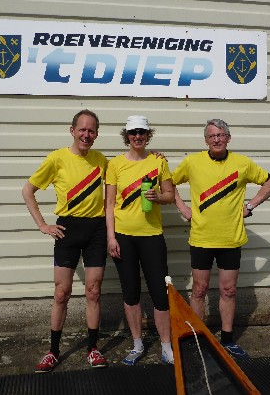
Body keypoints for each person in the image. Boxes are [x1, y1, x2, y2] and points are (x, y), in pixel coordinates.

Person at [172, 118, 270, 360]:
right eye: (212, 136)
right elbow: (168, 181)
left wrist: (249, 206)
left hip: (231, 239)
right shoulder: (192, 162)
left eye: (221, 135)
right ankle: (197, 339)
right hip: (201, 238)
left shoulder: (242, 163)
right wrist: (183, 208)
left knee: (228, 290)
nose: (216, 139)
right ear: (206, 140)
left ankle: (228, 340)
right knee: (198, 290)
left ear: (228, 138)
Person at [22, 109, 109, 373]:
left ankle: (93, 349)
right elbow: (28, 191)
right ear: (72, 131)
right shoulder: (57, 158)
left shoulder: (102, 161)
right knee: (62, 293)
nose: (86, 134)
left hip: (96, 230)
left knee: (93, 291)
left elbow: (129, 172)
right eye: (82, 129)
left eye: (91, 130)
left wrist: (156, 157)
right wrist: (42, 225)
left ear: (96, 134)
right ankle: (53, 352)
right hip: (67, 228)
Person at [105, 115, 175, 366]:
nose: (137, 136)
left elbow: (170, 195)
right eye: (133, 132)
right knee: (131, 292)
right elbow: (109, 204)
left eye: (142, 133)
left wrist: (158, 197)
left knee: (160, 294)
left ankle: (166, 346)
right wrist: (111, 237)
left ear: (148, 136)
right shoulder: (115, 165)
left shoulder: (158, 162)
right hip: (124, 236)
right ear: (127, 135)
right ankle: (137, 345)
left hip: (152, 236)